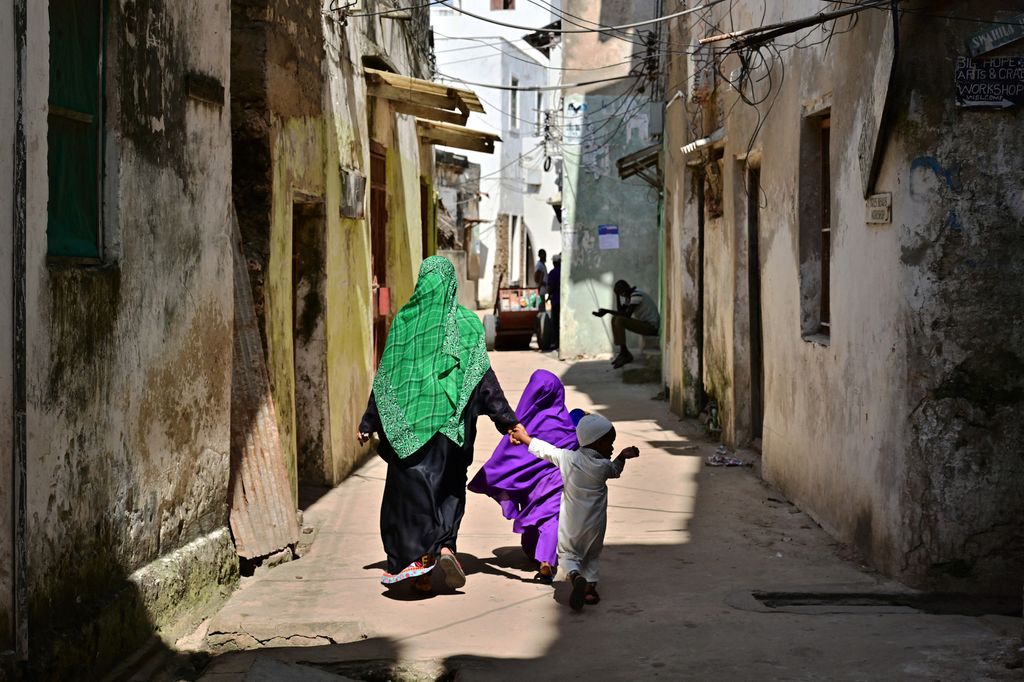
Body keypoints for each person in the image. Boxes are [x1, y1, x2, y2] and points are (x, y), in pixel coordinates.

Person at [358, 256, 520, 593]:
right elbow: (483, 380)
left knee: (412, 498)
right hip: (451, 430)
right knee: (448, 488)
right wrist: (508, 422)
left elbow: (387, 377)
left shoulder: (404, 321)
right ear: (451, 285)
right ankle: (445, 545)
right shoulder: (467, 324)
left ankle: (422, 566)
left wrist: (369, 420)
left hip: (408, 429)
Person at [509, 413, 640, 611]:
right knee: (591, 556)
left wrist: (524, 438)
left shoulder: (567, 458)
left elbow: (545, 450)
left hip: (571, 523)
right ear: (595, 443)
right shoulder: (603, 466)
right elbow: (615, 470)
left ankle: (575, 576)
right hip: (595, 525)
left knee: (568, 555)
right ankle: (589, 589)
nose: (612, 448)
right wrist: (622, 456)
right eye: (609, 443)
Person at [468, 369, 575, 583]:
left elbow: (507, 457)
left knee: (537, 519)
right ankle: (546, 559)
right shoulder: (566, 424)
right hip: (557, 483)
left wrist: (491, 475)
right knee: (551, 518)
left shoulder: (522, 426)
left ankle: (540, 556)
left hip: (532, 487)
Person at [592, 279, 660, 369]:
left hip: (651, 327)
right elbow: (621, 311)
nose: (622, 295)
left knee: (620, 320)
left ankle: (625, 353)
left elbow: (627, 315)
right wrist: (616, 296)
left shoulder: (636, 295)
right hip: (645, 324)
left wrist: (607, 311)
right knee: (615, 319)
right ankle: (623, 351)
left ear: (626, 288)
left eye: (621, 292)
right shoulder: (630, 297)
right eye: (619, 293)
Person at [545, 254, 561, 349]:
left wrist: (548, 297)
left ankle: (555, 342)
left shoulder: (553, 273)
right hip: (563, 302)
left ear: (554, 263)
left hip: (555, 301)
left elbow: (550, 287)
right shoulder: (563, 272)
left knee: (555, 322)